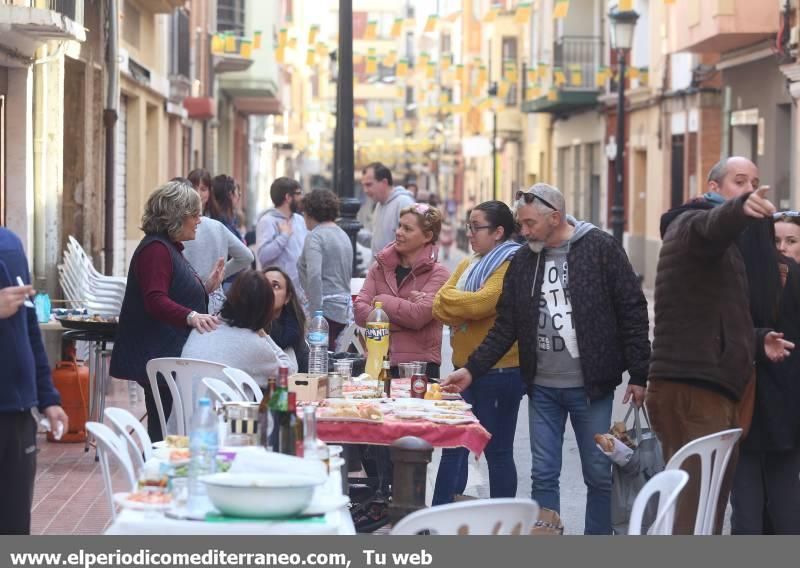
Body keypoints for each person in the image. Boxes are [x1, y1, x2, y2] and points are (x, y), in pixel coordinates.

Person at [442, 183, 651, 535]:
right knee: (543, 475)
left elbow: (632, 308)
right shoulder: (524, 259)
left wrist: (639, 373)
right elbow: (506, 324)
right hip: (541, 387)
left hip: (591, 387)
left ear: (554, 217)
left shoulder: (599, 248)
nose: (522, 232)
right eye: (520, 224)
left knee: (598, 473)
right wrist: (472, 370)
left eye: (528, 224)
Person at [646, 156, 794, 535]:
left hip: (714, 385)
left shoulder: (732, 250)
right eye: (739, 181)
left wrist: (759, 340)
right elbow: (711, 227)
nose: (749, 188)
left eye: (755, 182)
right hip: (694, 386)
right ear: (713, 189)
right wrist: (739, 210)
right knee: (693, 508)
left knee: (706, 505)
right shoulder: (690, 223)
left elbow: (722, 314)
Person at [110, 180, 220, 442]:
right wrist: (192, 317)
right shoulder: (156, 250)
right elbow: (155, 299)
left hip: (168, 357)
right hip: (160, 357)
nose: (199, 220)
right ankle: (158, 476)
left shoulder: (166, 248)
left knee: (170, 426)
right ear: (177, 216)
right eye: (195, 214)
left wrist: (206, 288)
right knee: (164, 429)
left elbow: (171, 292)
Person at [431, 201, 524, 505]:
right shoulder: (470, 263)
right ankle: (441, 520)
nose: (468, 233)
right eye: (469, 226)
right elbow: (438, 305)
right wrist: (455, 301)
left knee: (497, 451)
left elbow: (482, 303)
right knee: (453, 447)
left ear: (498, 232)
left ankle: (503, 523)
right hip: (462, 370)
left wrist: (454, 301)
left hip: (500, 371)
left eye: (476, 227)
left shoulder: (510, 263)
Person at [729, 211, 800, 534]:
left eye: (791, 241)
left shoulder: (743, 278)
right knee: (768, 500)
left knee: (767, 501)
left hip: (768, 406)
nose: (782, 248)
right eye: (776, 241)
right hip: (764, 404)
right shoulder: (752, 278)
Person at [0, 228, 68, 534]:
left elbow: (30, 327)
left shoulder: (11, 244)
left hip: (17, 412)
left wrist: (48, 397)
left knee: (14, 528)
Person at [355, 203, 450, 378]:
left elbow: (418, 316)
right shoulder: (379, 268)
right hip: (377, 363)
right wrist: (405, 316)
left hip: (419, 369)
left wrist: (380, 303)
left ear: (427, 236)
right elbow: (359, 312)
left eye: (407, 229)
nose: (399, 232)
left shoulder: (439, 273)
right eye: (399, 226)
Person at [182, 270, 292, 384]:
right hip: (223, 402)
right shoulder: (253, 343)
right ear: (265, 309)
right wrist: (264, 335)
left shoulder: (202, 327)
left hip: (183, 401)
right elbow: (288, 373)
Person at [182, 174, 254, 314]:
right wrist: (218, 275)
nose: (198, 193)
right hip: (215, 302)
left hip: (187, 302)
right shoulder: (218, 225)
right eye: (195, 188)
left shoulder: (179, 230)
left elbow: (247, 257)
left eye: (203, 188)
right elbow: (247, 257)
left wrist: (219, 274)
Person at [297, 189, 353, 351]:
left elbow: (314, 274)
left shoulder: (315, 236)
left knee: (318, 359)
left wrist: (315, 313)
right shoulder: (343, 235)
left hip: (324, 310)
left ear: (309, 212)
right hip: (342, 309)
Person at [255, 177, 308, 303]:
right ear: (288, 197)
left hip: (300, 296)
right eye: (299, 193)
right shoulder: (267, 221)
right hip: (276, 295)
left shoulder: (299, 220)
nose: (302, 198)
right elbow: (263, 256)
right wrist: (284, 236)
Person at [361, 162, 415, 258]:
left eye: (369, 185)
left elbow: (412, 244)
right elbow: (378, 243)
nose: (365, 190)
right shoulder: (379, 205)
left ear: (384, 183)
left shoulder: (403, 202)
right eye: (364, 186)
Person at [264, 266, 309, 373]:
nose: (267, 290)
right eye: (263, 284)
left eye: (275, 286)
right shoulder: (246, 326)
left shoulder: (294, 332)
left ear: (287, 298)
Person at [210, 174, 244, 240]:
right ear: (230, 194)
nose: (239, 196)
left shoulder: (229, 220)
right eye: (238, 192)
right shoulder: (224, 225)